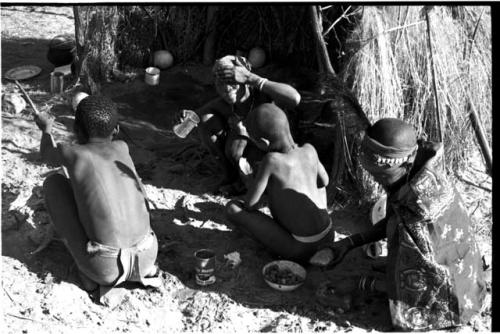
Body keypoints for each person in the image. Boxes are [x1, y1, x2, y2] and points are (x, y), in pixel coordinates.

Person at [310, 118, 486, 330]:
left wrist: (361, 283)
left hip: (455, 300)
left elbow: (418, 290)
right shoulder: (419, 173)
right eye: (372, 173)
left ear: (406, 160)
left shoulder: (417, 213)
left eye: (382, 174)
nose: (377, 180)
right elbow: (393, 219)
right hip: (458, 265)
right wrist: (348, 243)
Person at [35, 95, 160, 302]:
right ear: (116, 130)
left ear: (76, 130)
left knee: (54, 184)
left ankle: (87, 272)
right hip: (147, 256)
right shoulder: (122, 147)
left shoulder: (72, 152)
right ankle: (138, 272)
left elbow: (47, 155)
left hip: (104, 268)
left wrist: (45, 129)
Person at [225, 103, 333, 262]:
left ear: (263, 143)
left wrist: (249, 179)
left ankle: (272, 244)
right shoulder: (310, 149)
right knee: (316, 187)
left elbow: (250, 205)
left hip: (302, 249)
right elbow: (324, 181)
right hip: (329, 236)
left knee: (233, 208)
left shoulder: (271, 161)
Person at [181, 55, 301, 194]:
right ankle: (230, 175)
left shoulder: (263, 96)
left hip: (272, 158)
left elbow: (294, 98)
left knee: (240, 144)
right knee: (207, 120)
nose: (226, 88)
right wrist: (183, 117)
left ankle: (252, 183)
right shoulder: (223, 104)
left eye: (231, 81)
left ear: (242, 78)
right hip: (243, 157)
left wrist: (251, 78)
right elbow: (194, 116)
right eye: (220, 82)